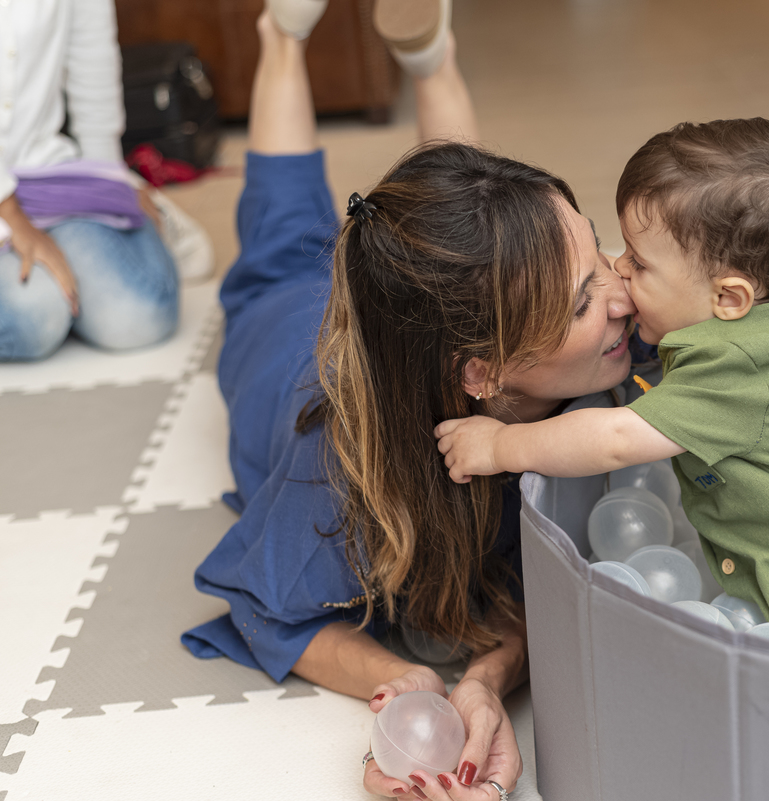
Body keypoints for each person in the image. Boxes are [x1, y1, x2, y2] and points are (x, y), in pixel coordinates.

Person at [183, 1, 636, 798]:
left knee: (471, 208)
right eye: (580, 301)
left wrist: (486, 679)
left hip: (416, 329)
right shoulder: (336, 467)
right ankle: (282, 33)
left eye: (596, 246)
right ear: (484, 377)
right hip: (283, 335)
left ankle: (430, 57)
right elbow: (265, 609)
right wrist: (406, 680)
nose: (623, 295)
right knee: (283, 236)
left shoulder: (601, 345)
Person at [435, 119, 769, 641]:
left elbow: (617, 439)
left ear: (729, 300)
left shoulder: (739, 365)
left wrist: (503, 445)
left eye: (639, 264)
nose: (618, 269)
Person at [0, 0, 189, 361]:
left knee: (142, 313)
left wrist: (108, 182)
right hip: (10, 200)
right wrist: (11, 217)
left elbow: (91, 58)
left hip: (45, 176)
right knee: (34, 318)